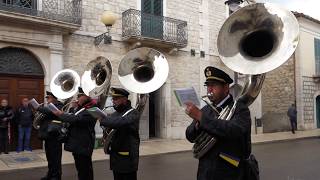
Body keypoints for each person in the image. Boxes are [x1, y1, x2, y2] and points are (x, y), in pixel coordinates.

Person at [185, 66, 252, 180]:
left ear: (226, 88)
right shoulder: (205, 110)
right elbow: (190, 135)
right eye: (208, 86)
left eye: (213, 85)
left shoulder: (240, 109)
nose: (209, 90)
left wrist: (201, 118)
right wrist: (197, 124)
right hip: (205, 172)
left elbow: (234, 130)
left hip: (229, 171)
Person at [52, 87, 97, 180]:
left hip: (84, 145)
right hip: (77, 144)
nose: (77, 98)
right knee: (80, 169)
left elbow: (77, 119)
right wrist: (74, 107)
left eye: (79, 96)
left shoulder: (92, 109)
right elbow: (73, 116)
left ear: (86, 96)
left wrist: (61, 114)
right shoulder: (81, 109)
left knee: (85, 171)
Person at [99, 87, 140, 180]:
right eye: (113, 99)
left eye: (116, 99)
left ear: (124, 99)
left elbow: (121, 122)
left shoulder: (133, 113)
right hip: (115, 157)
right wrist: (105, 135)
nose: (113, 101)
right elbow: (111, 127)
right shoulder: (115, 114)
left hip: (127, 159)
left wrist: (104, 120)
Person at [37, 91, 64, 180]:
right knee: (49, 157)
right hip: (48, 136)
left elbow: (51, 112)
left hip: (55, 137)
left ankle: (56, 176)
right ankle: (50, 174)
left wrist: (38, 108)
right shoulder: (48, 107)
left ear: (54, 98)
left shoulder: (60, 106)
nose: (47, 100)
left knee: (55, 158)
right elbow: (44, 117)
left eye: (48, 98)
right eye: (47, 98)